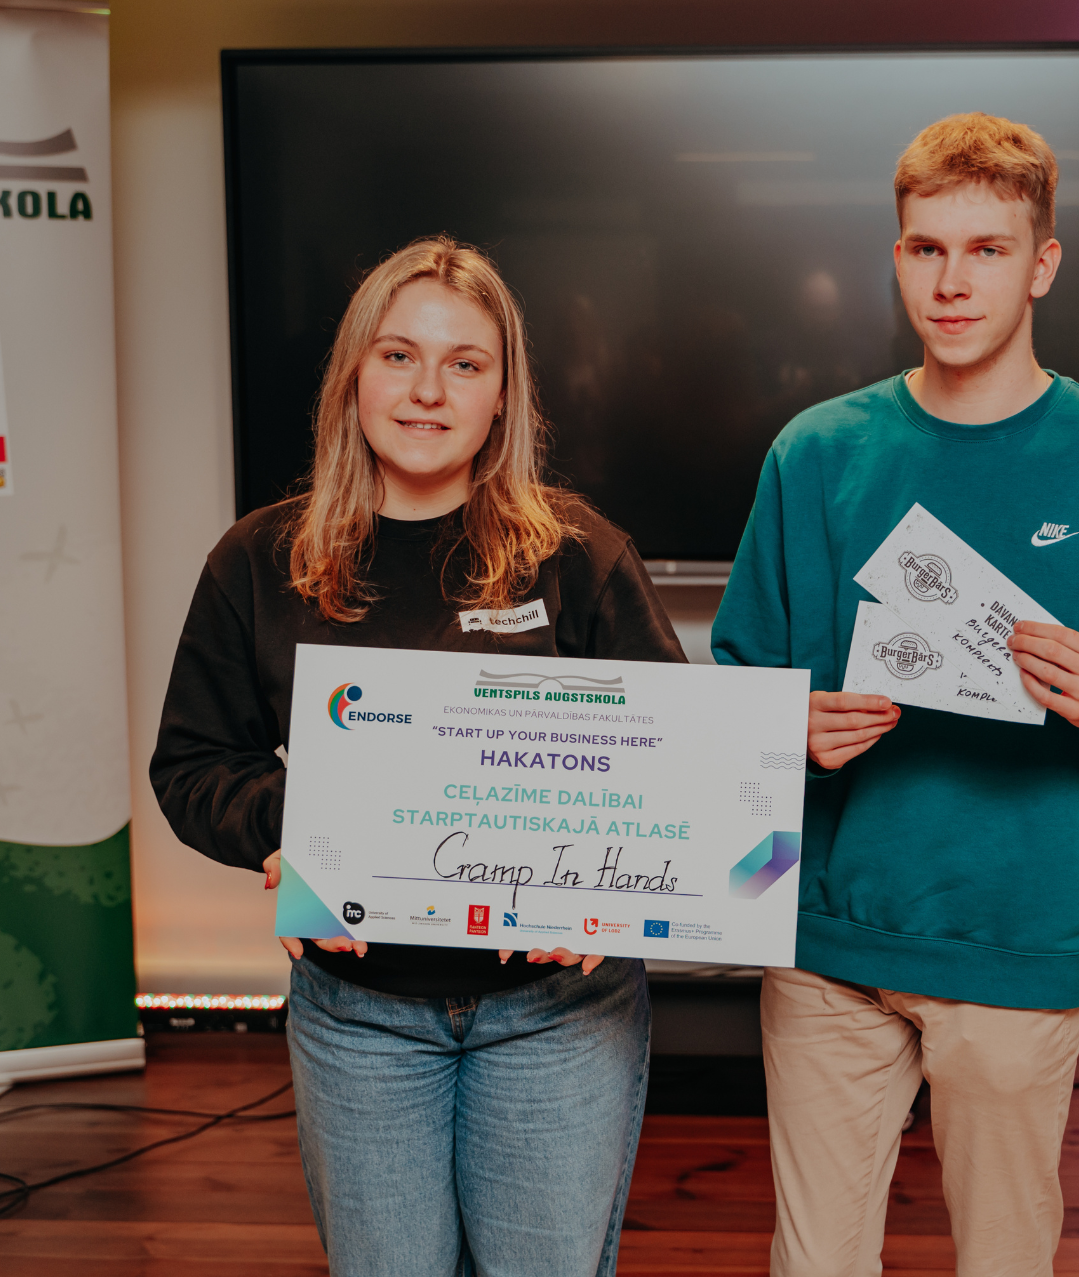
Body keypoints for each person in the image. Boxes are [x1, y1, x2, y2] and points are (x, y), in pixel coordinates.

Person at [711, 113, 1079, 1277]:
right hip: (824, 940)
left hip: (1019, 943)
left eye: (987, 249)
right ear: (897, 257)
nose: (952, 282)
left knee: (1002, 1258)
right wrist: (784, 729)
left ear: (1042, 264)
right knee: (814, 1264)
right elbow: (733, 700)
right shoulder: (815, 452)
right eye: (926, 248)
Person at [150, 236, 684, 1277]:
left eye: (464, 363)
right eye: (398, 356)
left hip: (556, 1014)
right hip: (360, 1016)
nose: (428, 391)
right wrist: (301, 833)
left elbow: (674, 766)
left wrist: (609, 898)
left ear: (503, 393)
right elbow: (195, 763)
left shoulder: (578, 555)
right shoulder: (260, 560)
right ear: (354, 373)